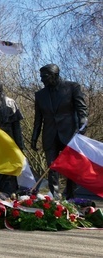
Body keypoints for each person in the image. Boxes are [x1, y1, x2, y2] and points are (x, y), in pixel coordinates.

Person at [31, 64, 88, 199]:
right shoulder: (40, 95)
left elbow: (82, 109)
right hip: (49, 134)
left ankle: (70, 196)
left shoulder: (72, 87)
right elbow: (38, 119)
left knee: (71, 168)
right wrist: (34, 137)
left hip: (70, 133)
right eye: (41, 77)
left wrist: (82, 127)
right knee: (52, 166)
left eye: (44, 77)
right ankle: (55, 197)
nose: (42, 80)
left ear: (55, 75)